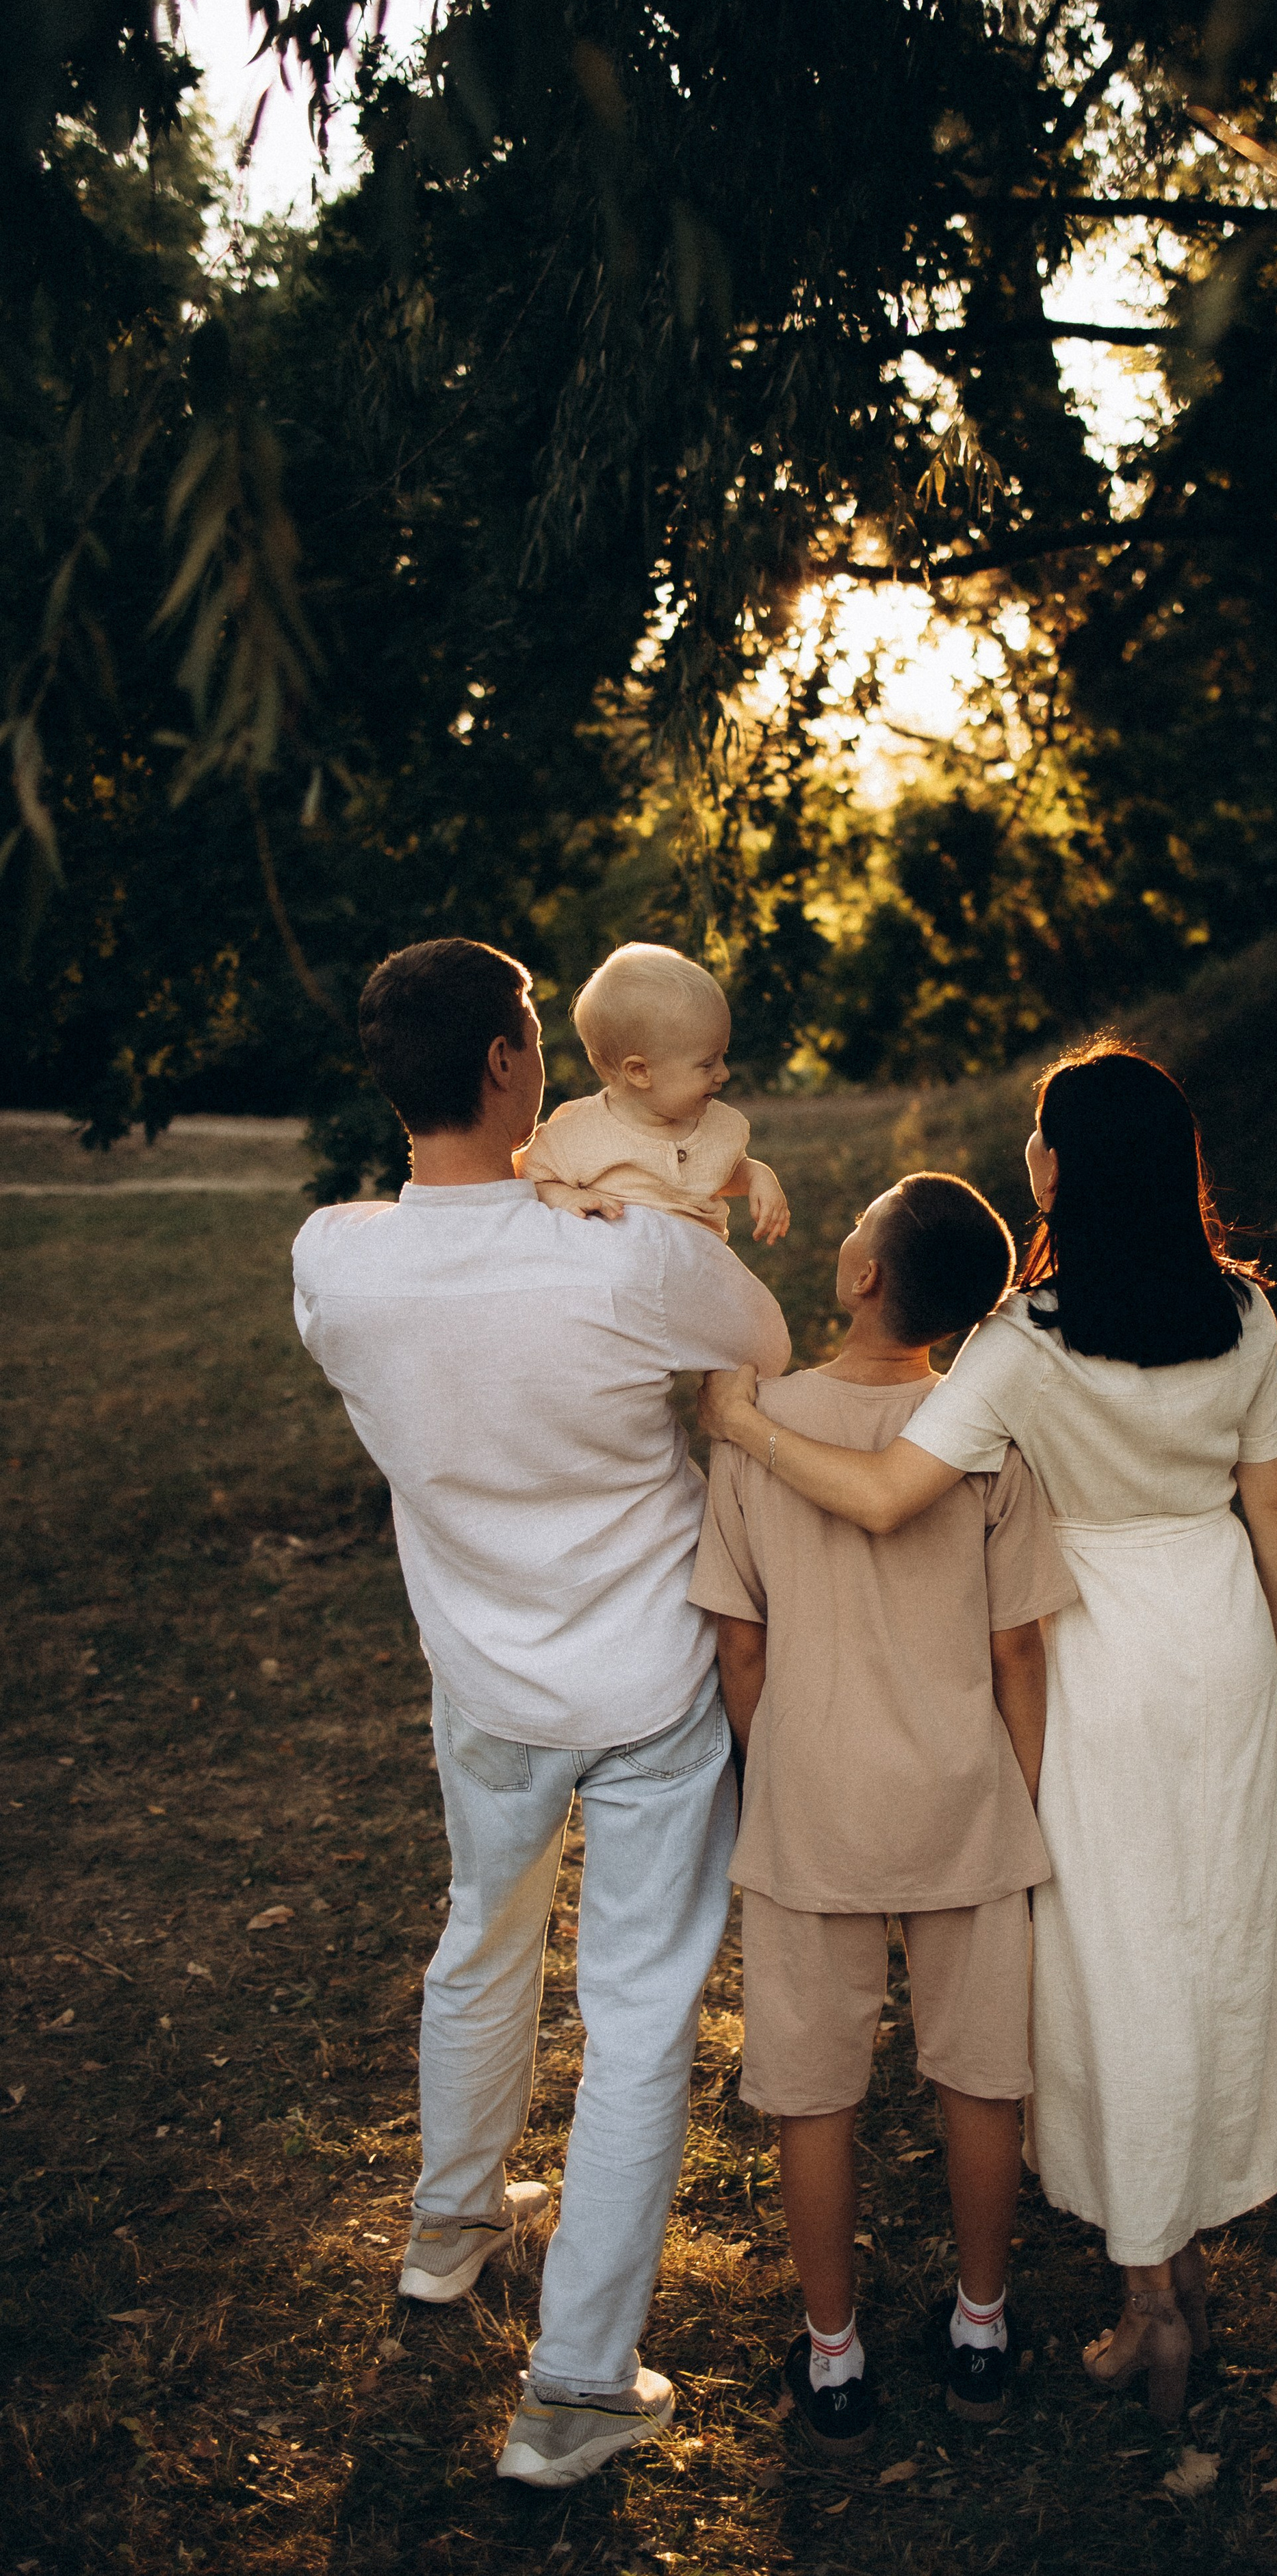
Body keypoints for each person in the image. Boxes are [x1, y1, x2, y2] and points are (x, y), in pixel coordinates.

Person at [699, 1038, 1277, 2428]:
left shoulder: (1025, 1343)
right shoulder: (1245, 1317)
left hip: (1096, 1642)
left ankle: (1142, 2285)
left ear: (1057, 1169)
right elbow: (1269, 1504)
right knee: (1212, 1929)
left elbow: (882, 1494)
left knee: (1113, 1961)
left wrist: (742, 1421)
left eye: (1038, 1138)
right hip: (1209, 1628)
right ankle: (1169, 2250)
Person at [291, 936, 790, 2489]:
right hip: (645, 1682)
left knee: (479, 1932)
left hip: (484, 1682)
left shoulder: (333, 1259)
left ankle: (446, 2230)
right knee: (636, 2015)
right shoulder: (624, 1259)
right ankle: (574, 2385)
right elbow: (761, 1349)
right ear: (514, 1065)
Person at [687, 1174, 1077, 2453]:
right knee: (980, 2072)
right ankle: (980, 2326)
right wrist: (1015, 1800)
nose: (844, 1236)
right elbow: (1022, 1647)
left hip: (813, 1805)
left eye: (855, 1225)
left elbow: (739, 1648)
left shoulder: (753, 1426)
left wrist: (775, 1765)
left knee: (815, 2090)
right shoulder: (984, 1436)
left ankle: (836, 2354)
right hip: (967, 1801)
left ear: (861, 1277)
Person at [516, 941, 790, 1245]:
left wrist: (756, 1176)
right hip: (619, 1278)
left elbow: (720, 1171)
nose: (723, 1073)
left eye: (723, 1056)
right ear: (640, 1072)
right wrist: (561, 1196)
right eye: (708, 1063)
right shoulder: (576, 1133)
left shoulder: (718, 1126)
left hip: (698, 1275)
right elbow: (526, 1178)